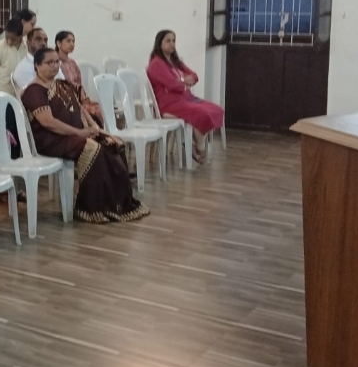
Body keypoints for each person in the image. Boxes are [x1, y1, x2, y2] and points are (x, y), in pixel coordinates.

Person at [21, 48, 149, 224]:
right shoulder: (34, 91)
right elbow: (48, 122)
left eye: (56, 62)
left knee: (112, 143)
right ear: (37, 65)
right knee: (93, 149)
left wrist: (95, 127)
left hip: (71, 134)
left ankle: (117, 203)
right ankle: (91, 208)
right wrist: (80, 133)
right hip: (50, 139)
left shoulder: (61, 84)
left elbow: (78, 107)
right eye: (49, 63)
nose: (54, 66)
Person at [146, 29, 225, 165]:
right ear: (160, 43)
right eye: (168, 41)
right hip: (168, 104)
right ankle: (199, 149)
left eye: (174, 41)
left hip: (186, 98)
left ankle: (194, 144)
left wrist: (187, 80)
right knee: (203, 114)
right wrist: (184, 80)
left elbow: (194, 75)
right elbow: (172, 85)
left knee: (215, 109)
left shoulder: (175, 61)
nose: (172, 44)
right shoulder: (156, 63)